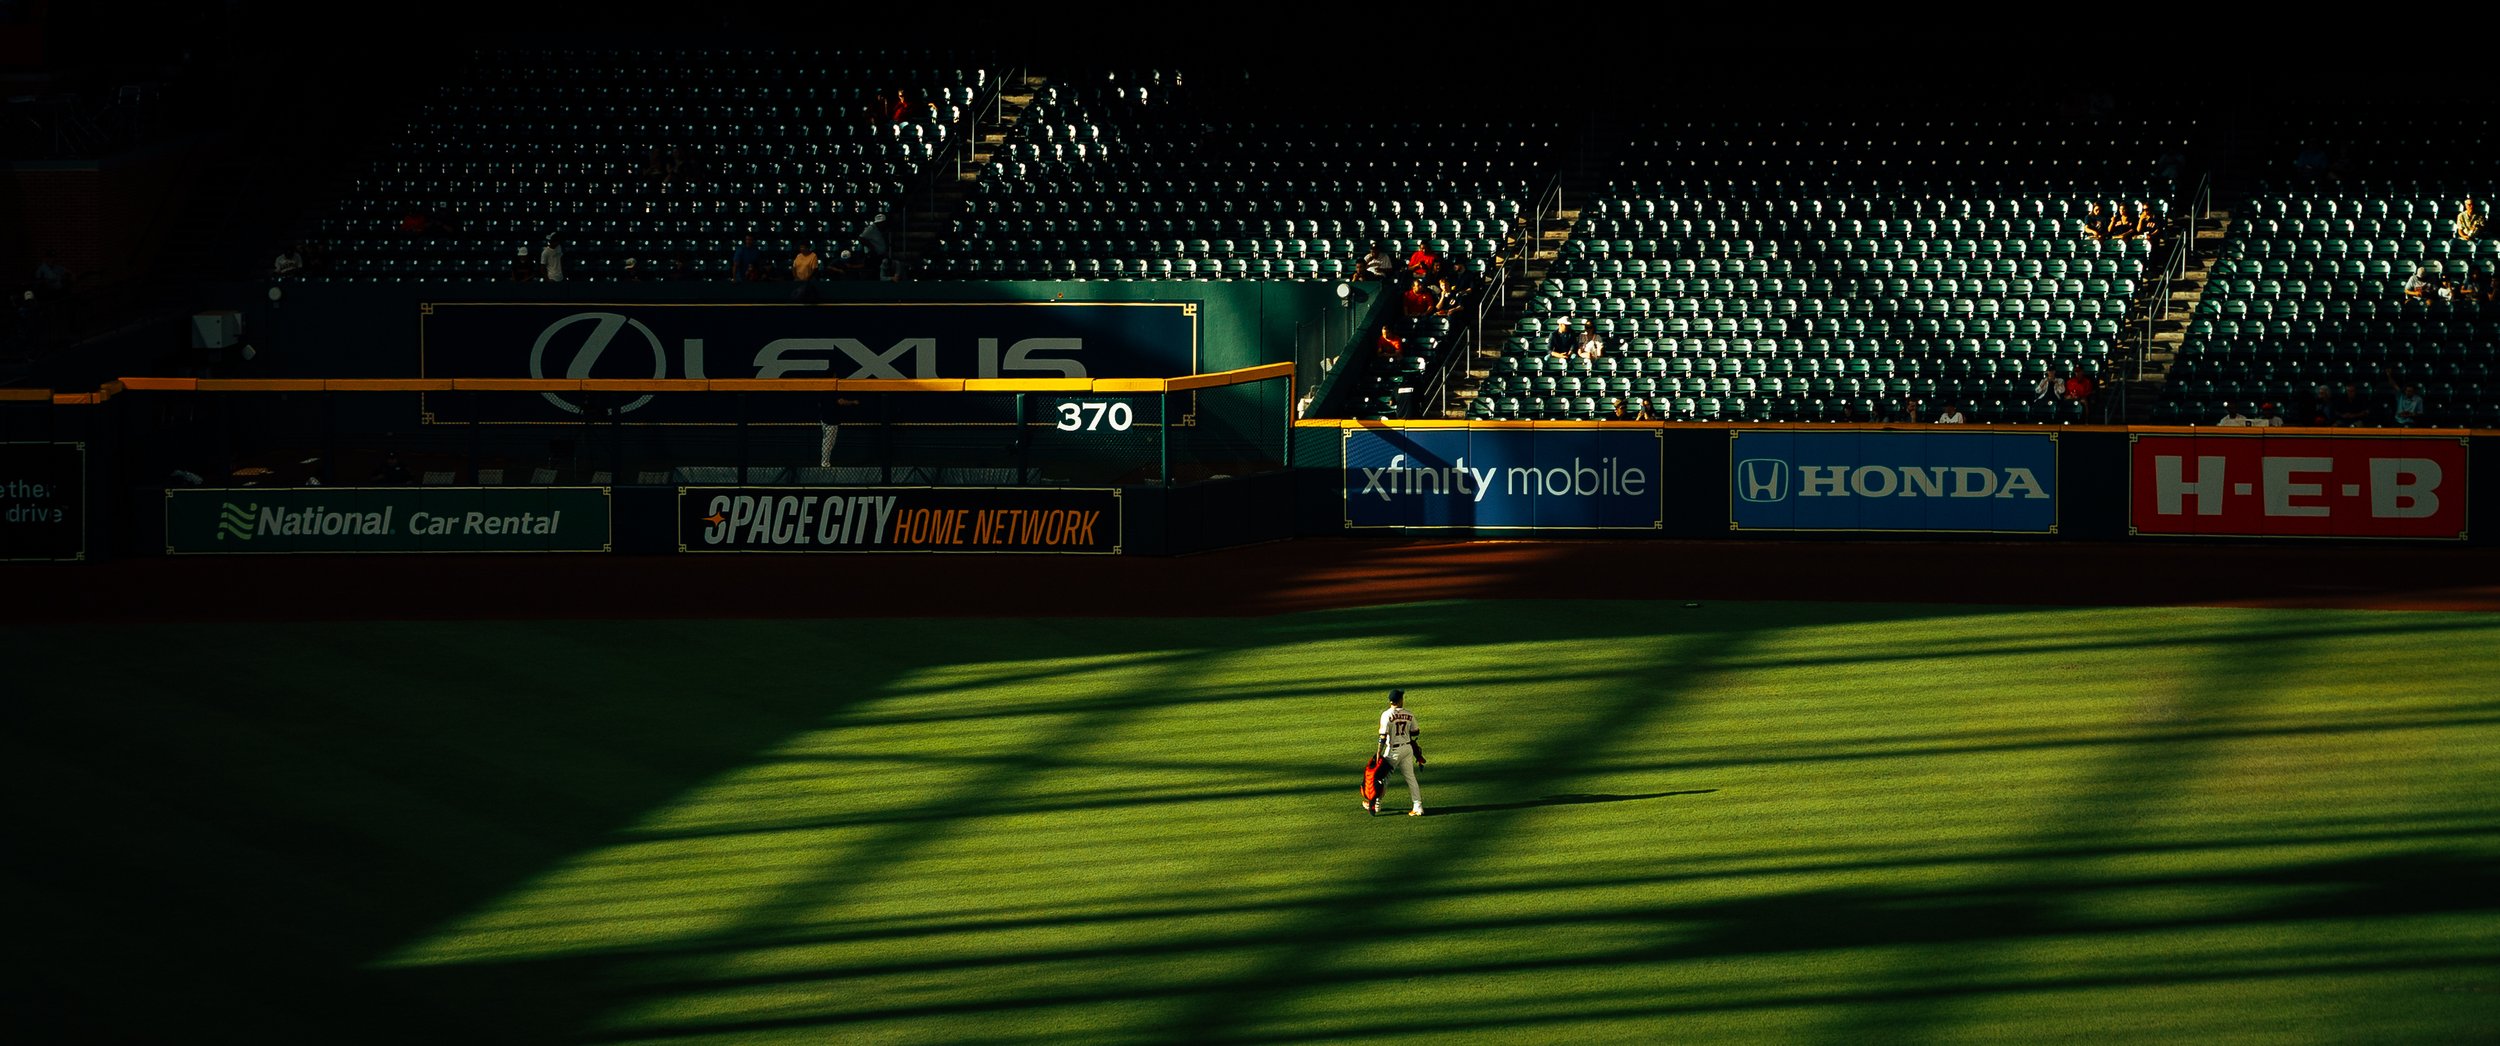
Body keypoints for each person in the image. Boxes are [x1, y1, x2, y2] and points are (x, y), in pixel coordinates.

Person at [1371, 689, 1425, 816]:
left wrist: (1379, 752)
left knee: (1383, 778)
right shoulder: (1409, 714)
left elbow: (1382, 736)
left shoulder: (1386, 715)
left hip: (1393, 750)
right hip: (1407, 749)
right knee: (1411, 778)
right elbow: (1416, 732)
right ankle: (1418, 806)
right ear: (1400, 700)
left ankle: (1376, 805)